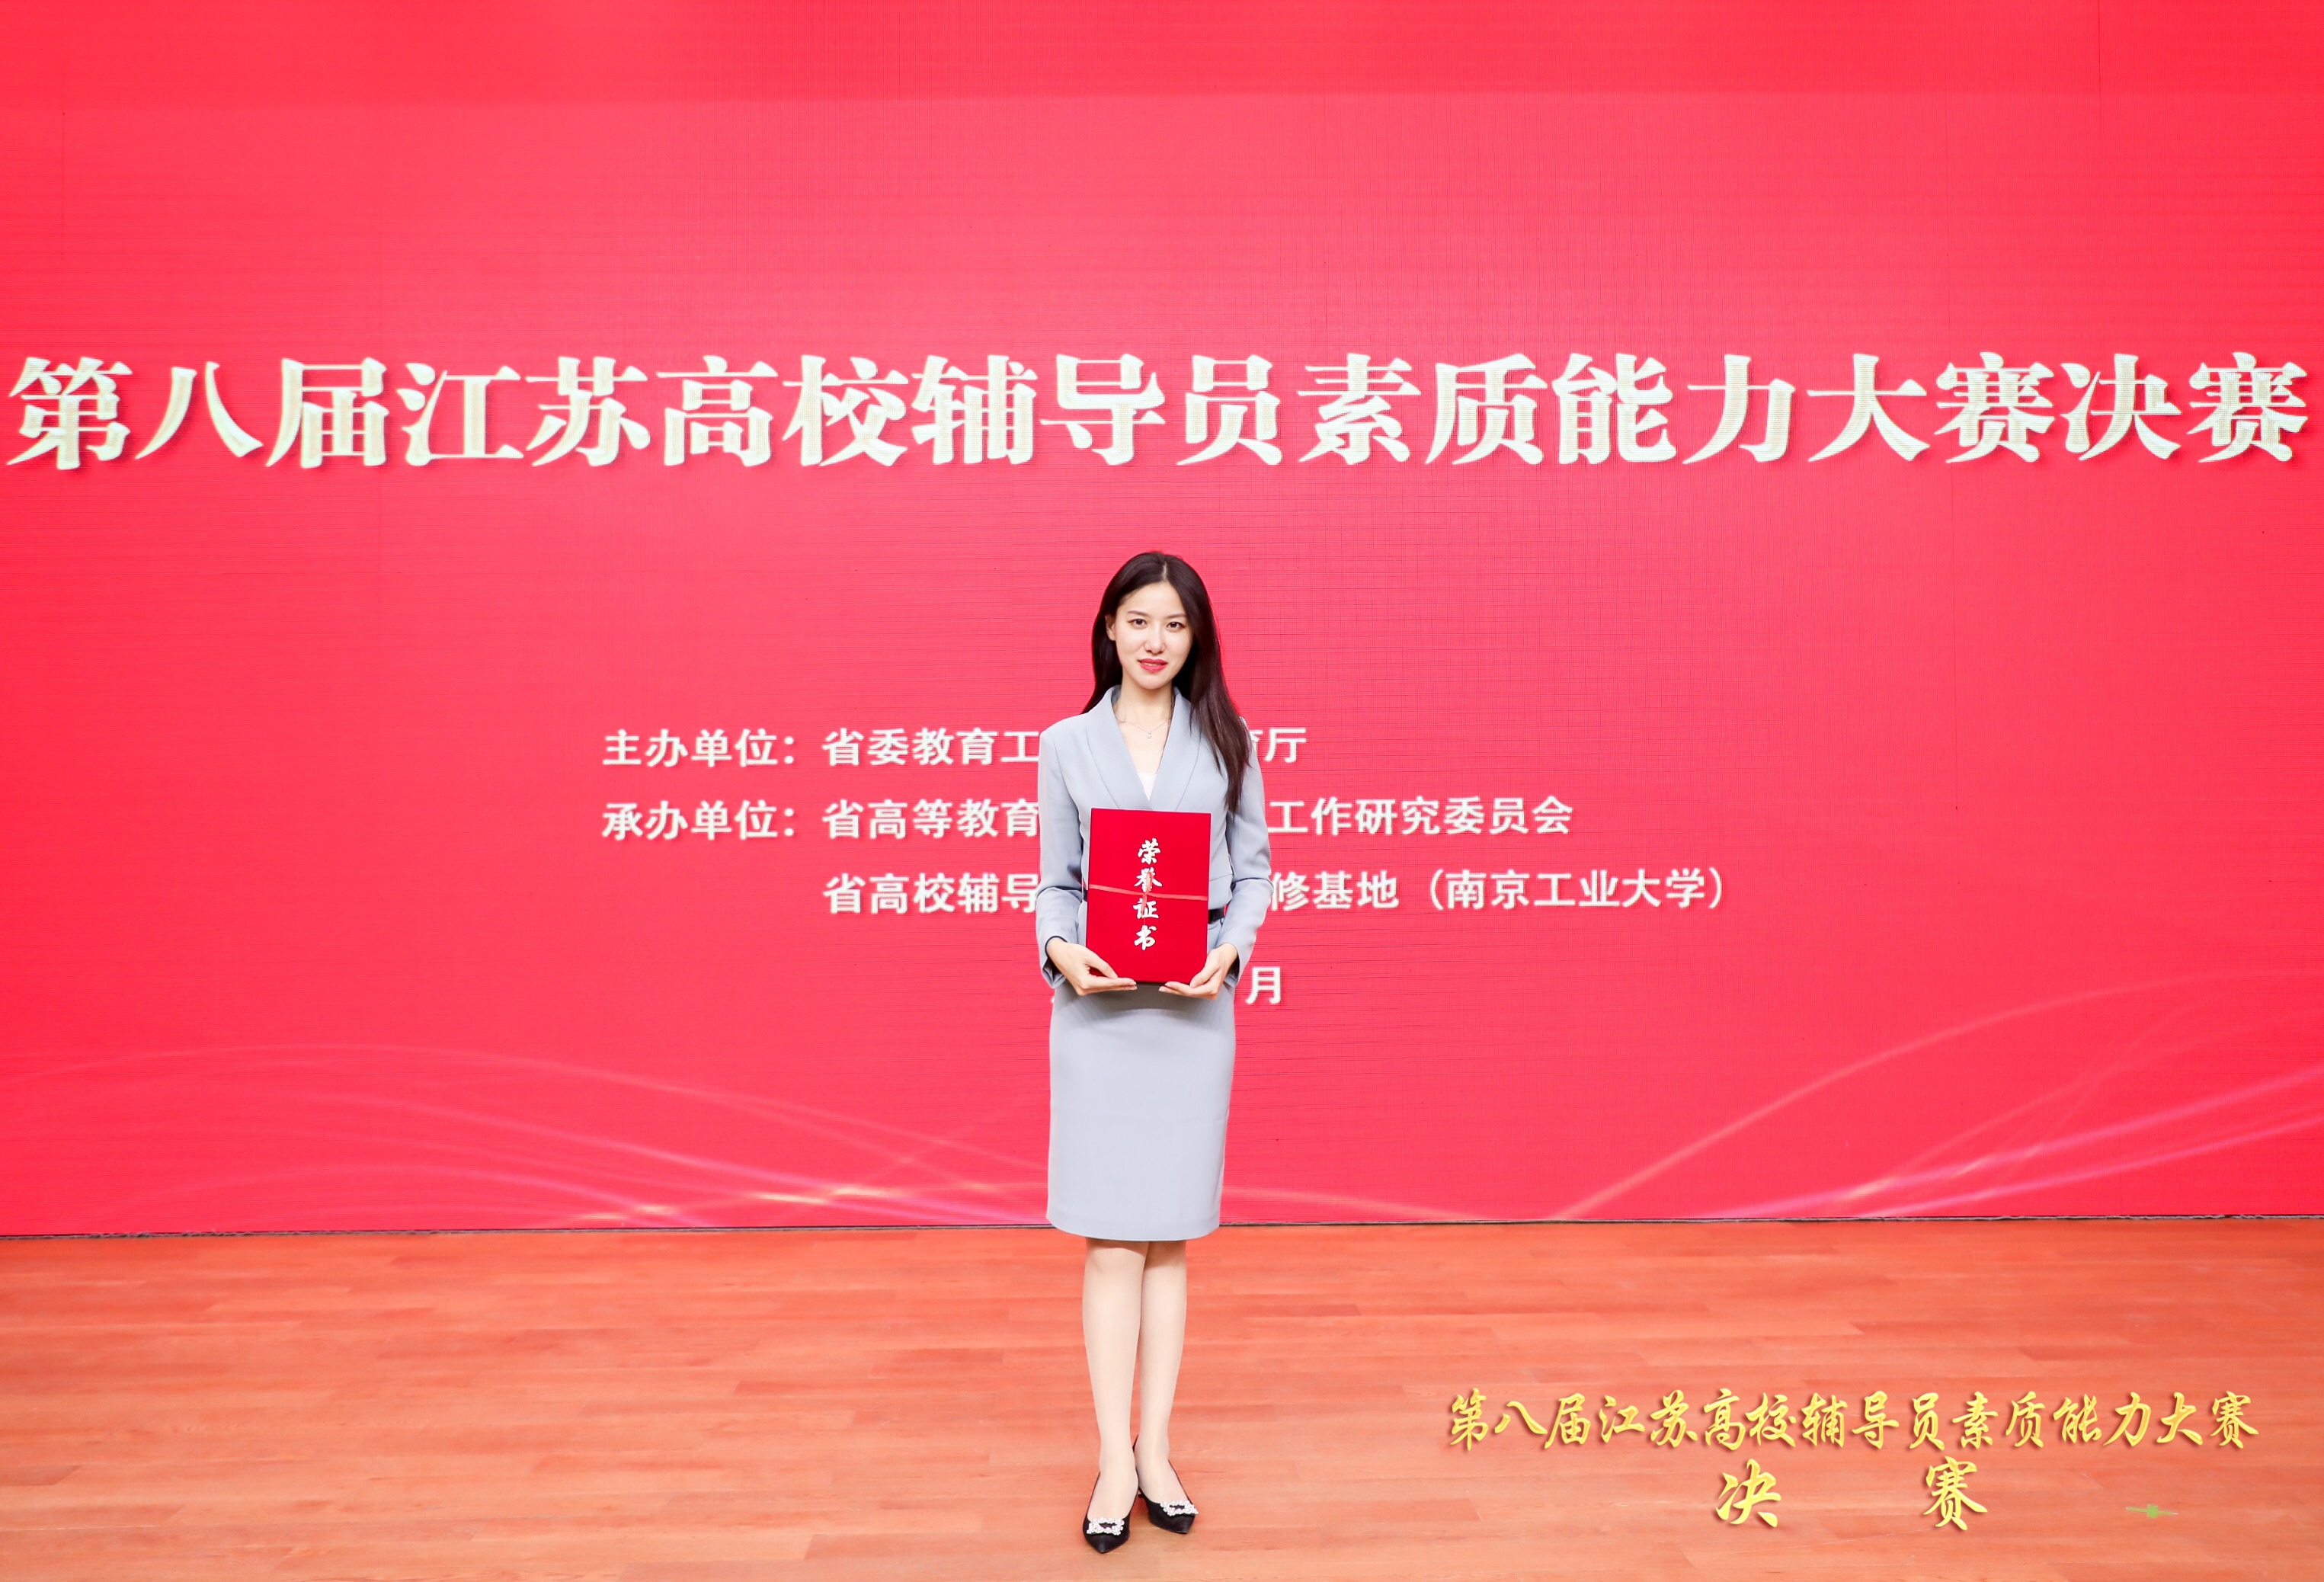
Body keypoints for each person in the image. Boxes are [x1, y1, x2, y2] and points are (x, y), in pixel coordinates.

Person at [1034, 551, 1271, 1553]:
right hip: (1098, 1016)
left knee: (1168, 1238)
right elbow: (1055, 883)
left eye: (1174, 624)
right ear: (1108, 628)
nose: (1154, 641)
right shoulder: (1065, 744)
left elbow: (1253, 873)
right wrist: (1060, 949)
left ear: (1195, 636)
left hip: (1190, 1014)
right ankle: (1113, 1459)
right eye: (1138, 620)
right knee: (1110, 1243)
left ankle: (1159, 1448)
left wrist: (1230, 949)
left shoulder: (1226, 742)